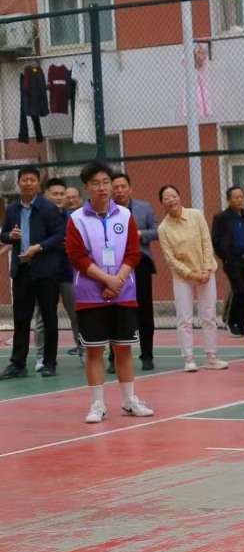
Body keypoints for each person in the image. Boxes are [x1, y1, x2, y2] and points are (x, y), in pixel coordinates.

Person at [65, 161, 154, 423]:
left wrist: (118, 280)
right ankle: (98, 404)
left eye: (106, 183)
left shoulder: (125, 216)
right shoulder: (76, 219)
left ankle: (129, 400)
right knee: (95, 351)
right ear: (86, 187)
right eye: (96, 183)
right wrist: (106, 280)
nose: (102, 188)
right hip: (90, 295)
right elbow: (76, 256)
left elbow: (133, 253)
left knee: (123, 349)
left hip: (124, 293)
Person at [0, 166, 63, 380]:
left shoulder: (48, 207)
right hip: (22, 271)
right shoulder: (12, 208)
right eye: (24, 180)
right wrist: (11, 235)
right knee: (21, 319)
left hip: (46, 272)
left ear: (38, 183)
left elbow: (59, 235)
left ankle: (49, 362)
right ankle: (17, 364)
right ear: (18, 182)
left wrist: (39, 247)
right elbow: (4, 235)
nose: (28, 183)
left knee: (49, 318)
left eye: (32, 180)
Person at [157, 184, 228, 372]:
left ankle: (212, 357)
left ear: (180, 197)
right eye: (166, 198)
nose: (171, 200)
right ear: (162, 204)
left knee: (209, 315)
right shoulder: (163, 228)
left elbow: (206, 242)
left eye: (174, 195)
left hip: (206, 273)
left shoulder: (196, 215)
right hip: (183, 277)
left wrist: (206, 269)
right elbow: (171, 259)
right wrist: (191, 274)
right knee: (184, 318)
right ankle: (188, 358)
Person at [109, 172, 159, 371]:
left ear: (130, 189)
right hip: (114, 265)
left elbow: (157, 231)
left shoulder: (143, 207)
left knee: (144, 310)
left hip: (140, 262)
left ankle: (147, 355)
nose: (120, 190)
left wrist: (139, 234)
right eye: (116, 187)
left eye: (123, 186)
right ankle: (114, 358)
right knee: (115, 311)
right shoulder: (105, 209)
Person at [34, 177, 84, 367]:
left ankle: (83, 350)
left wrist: (70, 244)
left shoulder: (74, 217)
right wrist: (53, 243)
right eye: (55, 194)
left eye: (62, 194)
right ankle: (41, 356)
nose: (59, 197)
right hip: (45, 272)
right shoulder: (37, 216)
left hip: (68, 272)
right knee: (43, 317)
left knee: (77, 314)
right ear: (46, 195)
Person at [212, 186, 244, 336]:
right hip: (232, 259)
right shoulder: (222, 217)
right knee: (239, 290)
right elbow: (216, 239)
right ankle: (231, 322)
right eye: (236, 197)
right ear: (228, 200)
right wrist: (224, 256)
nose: (240, 200)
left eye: (241, 197)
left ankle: (241, 324)